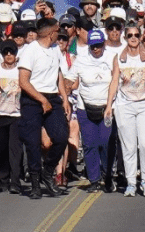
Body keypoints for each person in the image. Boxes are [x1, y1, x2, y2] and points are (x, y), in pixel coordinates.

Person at [104, 24, 145, 197]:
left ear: (140, 37)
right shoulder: (119, 58)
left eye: (136, 35)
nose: (133, 37)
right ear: (125, 38)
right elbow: (114, 81)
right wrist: (109, 105)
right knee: (129, 146)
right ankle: (131, 182)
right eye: (130, 35)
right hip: (125, 105)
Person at [18, 18, 70, 199]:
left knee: (62, 136)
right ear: (50, 33)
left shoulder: (56, 50)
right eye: (57, 31)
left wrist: (64, 98)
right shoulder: (30, 50)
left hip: (52, 96)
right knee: (33, 143)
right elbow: (23, 81)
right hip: (33, 98)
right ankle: (34, 183)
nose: (60, 34)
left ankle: (47, 172)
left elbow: (59, 74)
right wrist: (41, 100)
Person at [65, 29, 116, 193]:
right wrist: (63, 94)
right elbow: (69, 79)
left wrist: (110, 105)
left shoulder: (111, 58)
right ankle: (94, 179)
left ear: (104, 44)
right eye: (93, 46)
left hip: (106, 107)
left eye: (99, 45)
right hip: (85, 108)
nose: (96, 49)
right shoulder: (80, 60)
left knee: (106, 143)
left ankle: (107, 175)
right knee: (89, 144)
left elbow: (116, 80)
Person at [0, 40, 22, 194]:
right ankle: (3, 179)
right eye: (6, 52)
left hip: (17, 114)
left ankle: (15, 181)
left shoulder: (21, 71)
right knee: (1, 149)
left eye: (12, 52)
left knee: (15, 149)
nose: (9, 55)